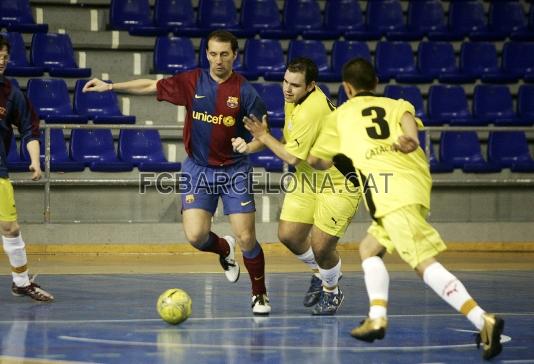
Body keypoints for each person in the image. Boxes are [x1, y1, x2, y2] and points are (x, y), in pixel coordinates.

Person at [307, 58, 504, 360]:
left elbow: (315, 160)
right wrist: (407, 141)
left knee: (422, 262)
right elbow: (411, 133)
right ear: (376, 83)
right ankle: (376, 316)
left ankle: (483, 320)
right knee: (369, 249)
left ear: (347, 88)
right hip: (416, 183)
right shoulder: (397, 103)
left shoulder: (342, 115)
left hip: (391, 191)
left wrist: (326, 156)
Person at [83, 30, 270, 315]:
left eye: (224, 54)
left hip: (234, 171)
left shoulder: (246, 92)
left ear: (235, 55)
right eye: (213, 53)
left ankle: (259, 294)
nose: (218, 60)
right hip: (197, 168)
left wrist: (248, 144)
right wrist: (110, 87)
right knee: (196, 236)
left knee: (247, 238)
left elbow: (263, 136)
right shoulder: (192, 81)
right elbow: (150, 85)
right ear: (206, 54)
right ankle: (223, 249)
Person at [237, 58, 360, 315]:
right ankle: (321, 272)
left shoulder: (312, 110)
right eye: (285, 82)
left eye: (295, 85)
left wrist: (262, 136)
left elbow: (292, 157)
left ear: (311, 85)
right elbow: (290, 140)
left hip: (338, 180)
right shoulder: (295, 98)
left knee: (321, 245)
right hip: (308, 176)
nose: (287, 89)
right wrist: (256, 143)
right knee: (289, 236)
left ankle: (332, 291)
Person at [0, 35, 54, 302]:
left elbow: (29, 131)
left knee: (10, 228)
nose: (1, 61)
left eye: (4, 56)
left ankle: (21, 282)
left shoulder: (12, 94)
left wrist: (35, 160)